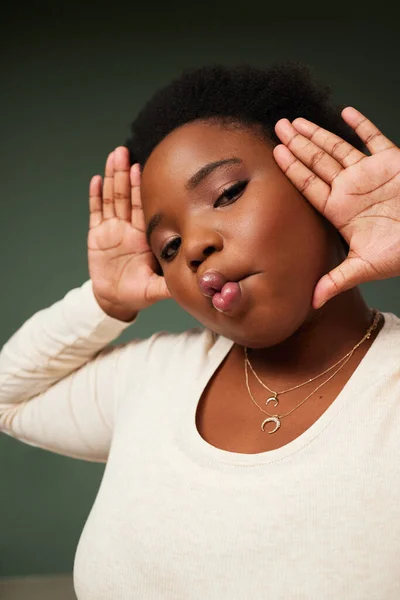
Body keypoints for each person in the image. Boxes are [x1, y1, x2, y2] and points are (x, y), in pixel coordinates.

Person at [1, 62, 400, 599]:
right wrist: (103, 302)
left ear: (320, 182)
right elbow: (10, 397)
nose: (192, 248)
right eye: (167, 245)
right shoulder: (153, 378)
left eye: (228, 193)